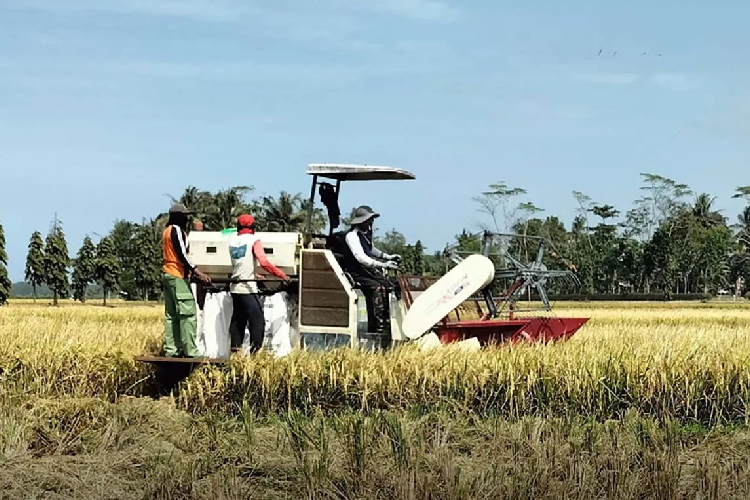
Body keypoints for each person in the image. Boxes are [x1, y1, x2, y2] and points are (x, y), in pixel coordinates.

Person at [228, 214, 291, 353]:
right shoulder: (254, 240)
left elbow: (241, 265)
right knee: (257, 322)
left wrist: (254, 274)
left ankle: (235, 354)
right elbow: (264, 262)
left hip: (235, 286)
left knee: (238, 320)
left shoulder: (232, 241)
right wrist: (282, 275)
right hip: (247, 288)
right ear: (253, 227)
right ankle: (255, 353)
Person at [161, 203, 211, 357]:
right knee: (187, 313)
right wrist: (197, 271)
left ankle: (172, 350)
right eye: (185, 216)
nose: (187, 218)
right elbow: (182, 254)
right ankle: (191, 350)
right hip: (177, 275)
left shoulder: (166, 231)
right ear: (178, 216)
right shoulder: (176, 230)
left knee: (171, 316)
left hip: (167, 274)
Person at [342, 206, 401, 334]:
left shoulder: (366, 234)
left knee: (390, 285)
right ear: (361, 221)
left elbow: (371, 250)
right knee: (378, 288)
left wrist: (388, 257)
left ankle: (390, 323)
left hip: (368, 269)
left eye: (372, 220)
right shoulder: (352, 236)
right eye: (369, 220)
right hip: (356, 272)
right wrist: (383, 265)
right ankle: (379, 329)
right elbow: (361, 257)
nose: (371, 222)